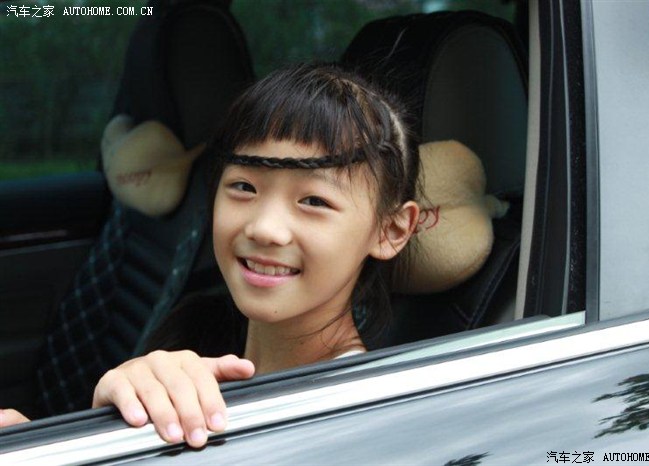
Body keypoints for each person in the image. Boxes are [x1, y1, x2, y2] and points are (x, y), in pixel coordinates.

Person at [0, 63, 421, 448]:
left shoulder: (353, 422)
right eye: (244, 187)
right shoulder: (193, 332)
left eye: (314, 200)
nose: (263, 228)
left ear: (392, 230)